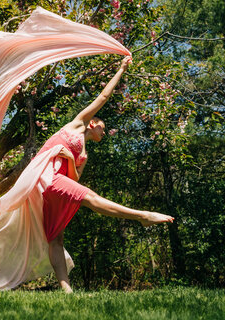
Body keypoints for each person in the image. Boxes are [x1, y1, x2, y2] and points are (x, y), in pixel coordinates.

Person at [35, 56, 174, 293]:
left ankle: (67, 293)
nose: (105, 131)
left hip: (55, 188)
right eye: (103, 126)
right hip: (46, 181)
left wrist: (79, 162)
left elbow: (74, 182)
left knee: (56, 239)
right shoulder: (77, 124)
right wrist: (121, 69)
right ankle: (142, 216)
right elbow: (103, 97)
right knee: (93, 200)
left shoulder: (83, 152)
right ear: (92, 123)